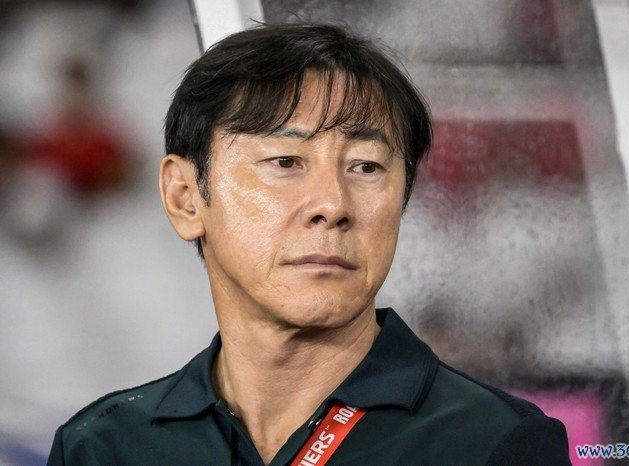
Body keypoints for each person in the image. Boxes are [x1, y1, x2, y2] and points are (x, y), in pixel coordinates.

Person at [48, 23, 570, 465]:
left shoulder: (494, 443)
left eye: (366, 167)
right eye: (285, 162)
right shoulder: (104, 446)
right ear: (185, 198)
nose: (333, 204)